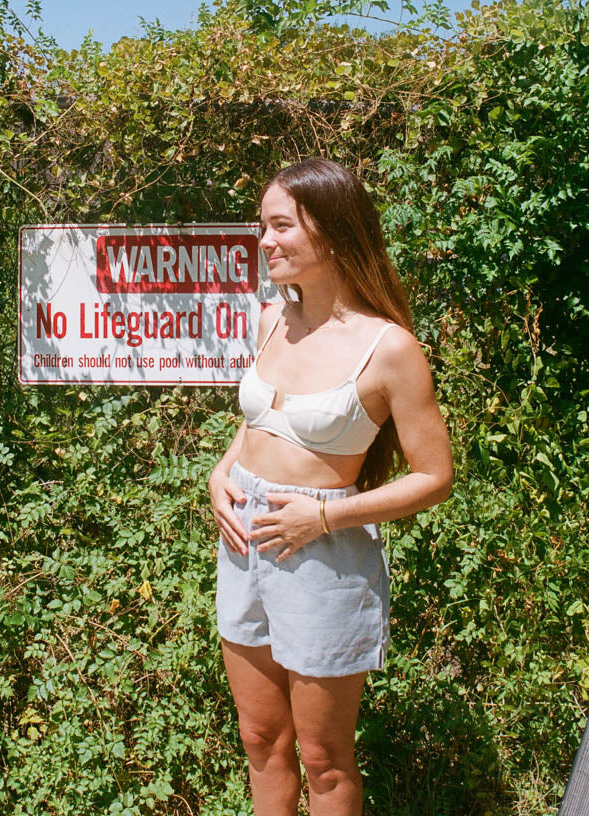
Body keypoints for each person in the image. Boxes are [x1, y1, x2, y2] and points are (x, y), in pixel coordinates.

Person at [208, 158, 453, 816]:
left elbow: (435, 478)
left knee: (322, 757)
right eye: (262, 226)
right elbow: (259, 422)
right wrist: (220, 471)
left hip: (321, 552)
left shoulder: (389, 349)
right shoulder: (270, 320)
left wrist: (322, 516)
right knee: (260, 737)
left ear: (333, 230)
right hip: (244, 545)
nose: (265, 242)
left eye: (281, 225)